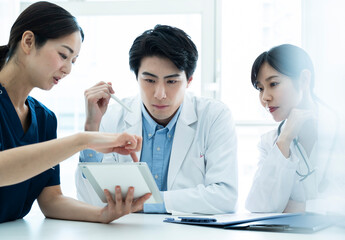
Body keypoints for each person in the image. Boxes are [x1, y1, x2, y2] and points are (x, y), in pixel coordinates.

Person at [0, 1, 150, 228]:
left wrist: (103, 214)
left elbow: (52, 200)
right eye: (63, 55)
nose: (68, 69)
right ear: (28, 41)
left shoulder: (44, 119)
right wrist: (84, 140)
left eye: (73, 61)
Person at [75, 24, 238, 214]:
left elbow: (224, 197)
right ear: (136, 77)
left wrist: (148, 202)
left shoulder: (214, 116)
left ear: (189, 81)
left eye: (172, 81)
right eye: (150, 80)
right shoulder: (111, 118)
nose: (160, 94)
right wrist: (91, 130)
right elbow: (89, 200)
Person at [245, 44, 339, 213]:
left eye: (273, 84)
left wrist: (301, 207)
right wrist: (285, 139)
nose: (265, 97)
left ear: (304, 80)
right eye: (260, 88)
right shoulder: (271, 142)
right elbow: (258, 206)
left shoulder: (339, 130)